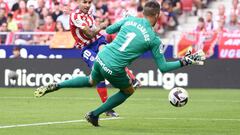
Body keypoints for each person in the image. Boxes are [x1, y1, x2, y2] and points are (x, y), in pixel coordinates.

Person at [34, 0, 205, 127]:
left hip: (102, 56)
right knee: (129, 90)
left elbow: (107, 31)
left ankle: (57, 85)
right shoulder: (154, 39)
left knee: (90, 81)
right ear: (157, 15)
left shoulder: (129, 20)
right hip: (114, 67)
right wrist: (187, 60)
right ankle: (94, 114)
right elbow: (164, 68)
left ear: (143, 12)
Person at [34, 0, 140, 117]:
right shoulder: (75, 16)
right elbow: (89, 34)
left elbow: (94, 30)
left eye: (89, 2)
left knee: (111, 57)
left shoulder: (88, 13)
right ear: (78, 2)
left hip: (99, 41)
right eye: (84, 2)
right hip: (86, 48)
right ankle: (106, 107)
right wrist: (103, 25)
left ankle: (132, 80)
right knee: (98, 75)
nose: (87, 5)